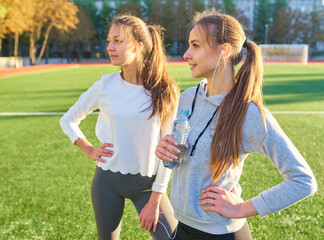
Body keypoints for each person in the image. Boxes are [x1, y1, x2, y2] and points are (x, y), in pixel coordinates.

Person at [155, 10, 317, 240]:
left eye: (196, 45)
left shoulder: (248, 113)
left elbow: (303, 180)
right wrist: (166, 153)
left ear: (224, 50)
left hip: (222, 233)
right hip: (183, 227)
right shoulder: (188, 97)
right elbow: (184, 156)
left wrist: (242, 208)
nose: (186, 54)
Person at [60, 14, 179, 240]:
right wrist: (88, 149)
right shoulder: (104, 85)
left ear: (138, 45)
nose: (110, 47)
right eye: (109, 41)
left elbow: (169, 152)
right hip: (107, 182)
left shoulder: (164, 90)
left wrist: (155, 200)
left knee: (173, 238)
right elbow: (68, 119)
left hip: (148, 187)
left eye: (118, 41)